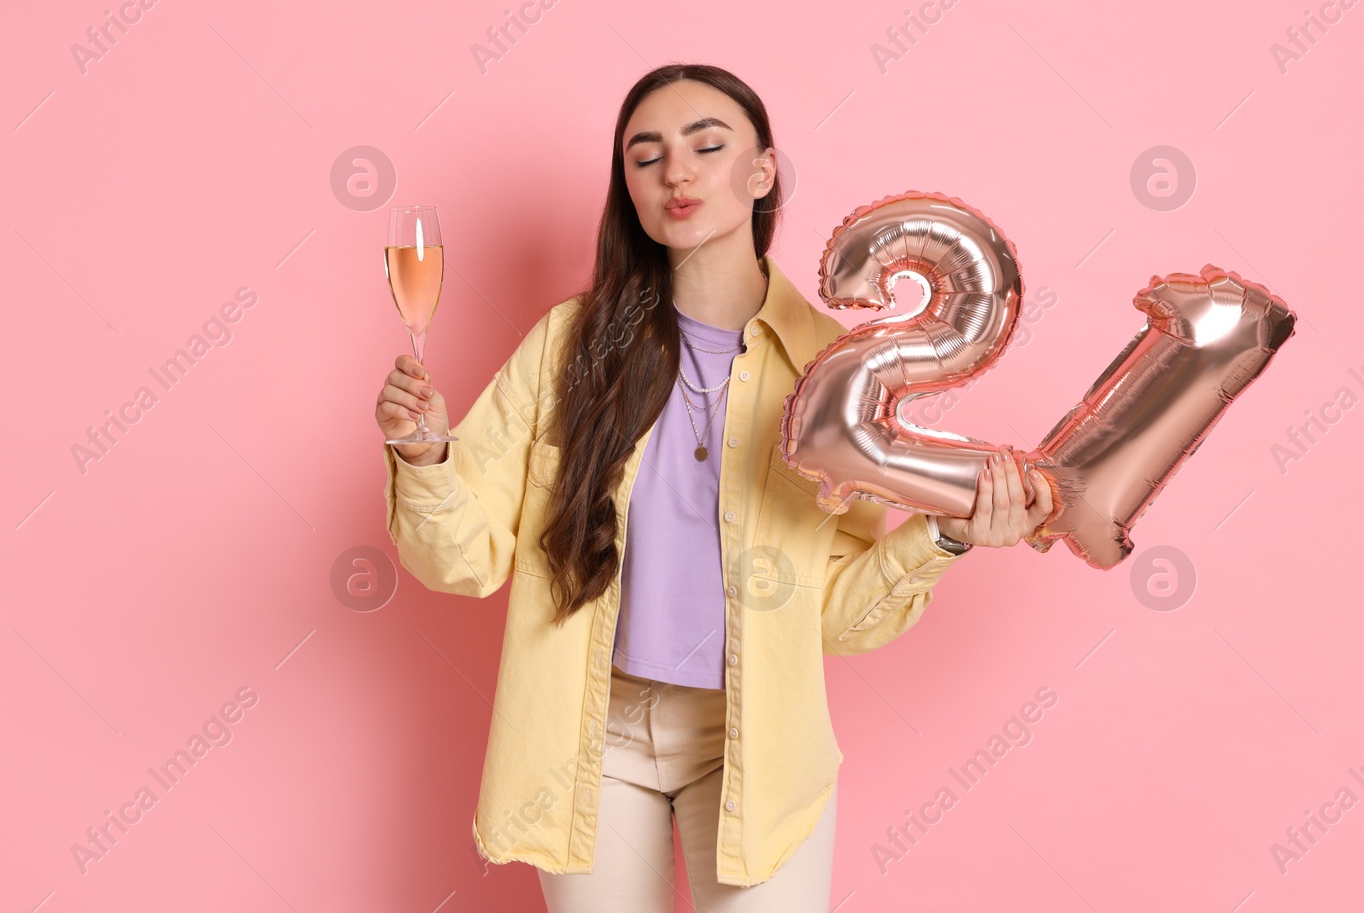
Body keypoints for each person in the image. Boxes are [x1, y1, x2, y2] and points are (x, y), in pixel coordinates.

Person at [376, 63, 1054, 912]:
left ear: (763, 171)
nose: (678, 172)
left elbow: (836, 616)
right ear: (628, 187)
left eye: (707, 144)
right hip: (591, 736)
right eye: (646, 155)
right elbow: (463, 560)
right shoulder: (568, 346)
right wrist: (425, 456)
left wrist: (945, 535)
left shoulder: (834, 374)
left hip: (757, 739)